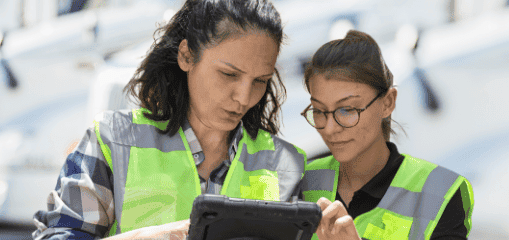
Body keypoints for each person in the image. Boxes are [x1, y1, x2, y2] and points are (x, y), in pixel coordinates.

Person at [32, 0, 307, 239]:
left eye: (260, 81)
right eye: (229, 74)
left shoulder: (288, 164)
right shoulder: (111, 142)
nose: (244, 97)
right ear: (187, 56)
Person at [298, 30, 474, 240]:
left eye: (347, 110)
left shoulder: (441, 192)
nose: (329, 128)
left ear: (387, 103)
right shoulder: (301, 181)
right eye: (319, 112)